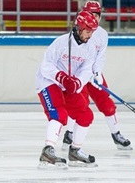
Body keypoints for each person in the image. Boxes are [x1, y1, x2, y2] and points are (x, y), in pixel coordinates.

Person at [61, 1, 132, 151]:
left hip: (94, 74)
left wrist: (98, 72)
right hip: (79, 75)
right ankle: (70, 133)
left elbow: (101, 56)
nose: (94, 17)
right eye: (91, 14)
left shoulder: (102, 34)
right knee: (81, 104)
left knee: (106, 102)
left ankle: (116, 133)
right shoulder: (77, 32)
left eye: (96, 14)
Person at [36, 10, 99, 168]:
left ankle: (75, 151)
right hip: (49, 82)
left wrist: (77, 83)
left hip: (69, 86)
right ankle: (47, 151)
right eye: (88, 31)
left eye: (92, 32)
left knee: (86, 115)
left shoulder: (90, 48)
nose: (90, 35)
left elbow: (86, 70)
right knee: (59, 114)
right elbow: (46, 65)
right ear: (79, 27)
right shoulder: (61, 43)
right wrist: (61, 77)